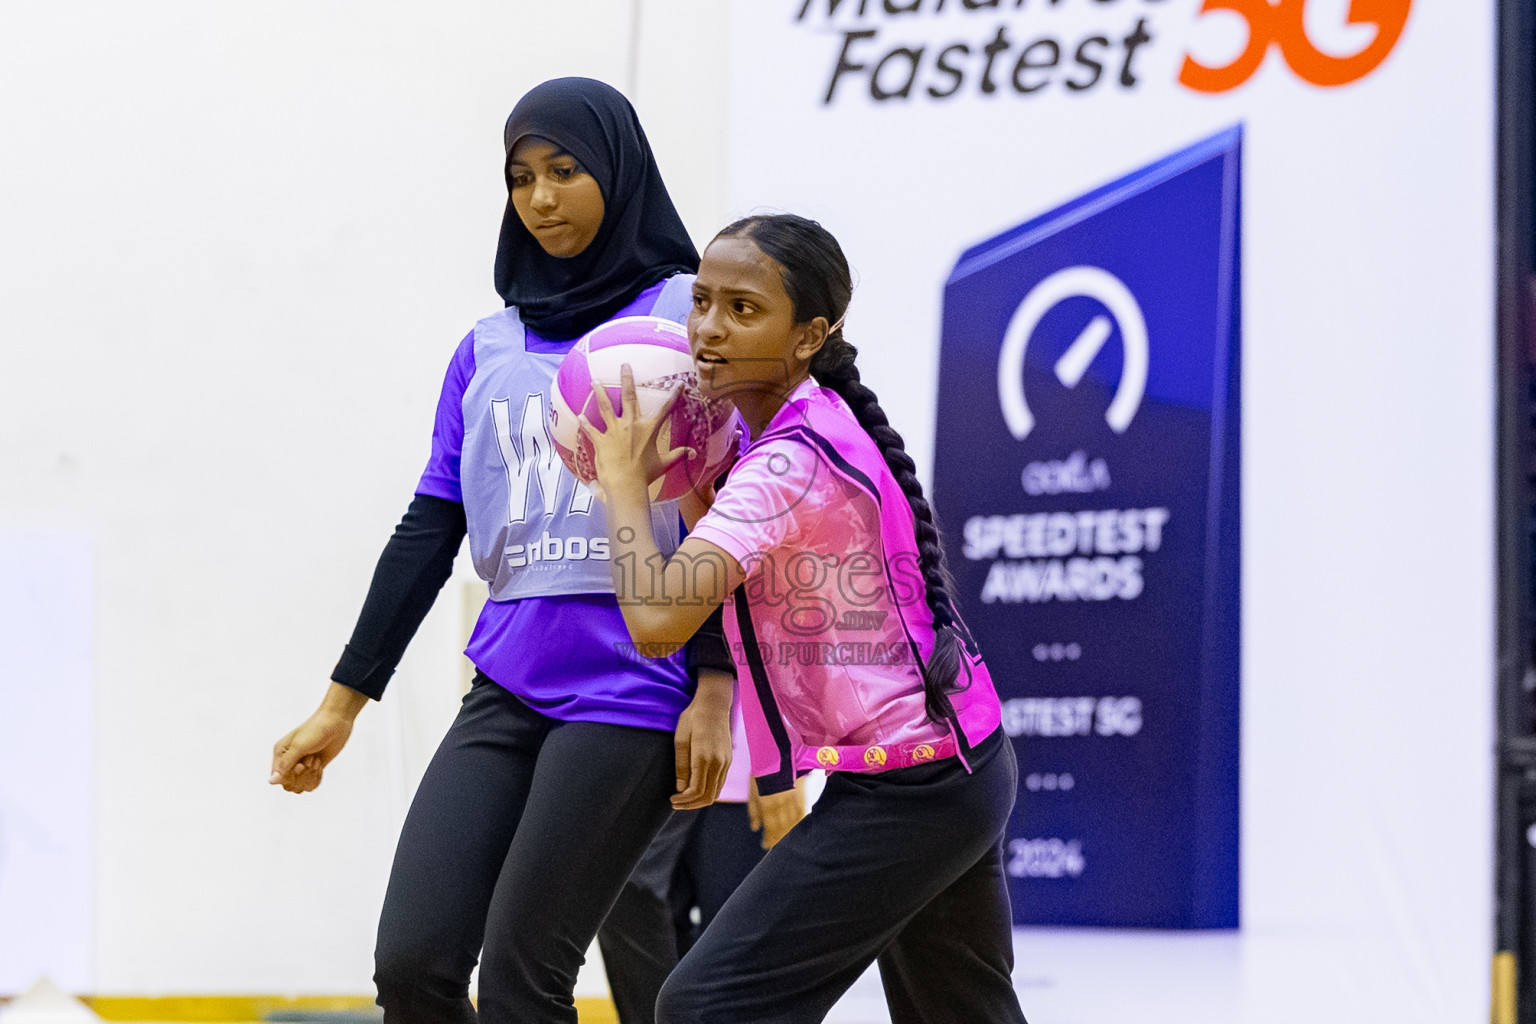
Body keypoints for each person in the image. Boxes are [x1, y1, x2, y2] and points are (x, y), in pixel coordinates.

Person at [266, 77, 735, 1024]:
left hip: (635, 686)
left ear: (620, 170)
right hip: (510, 682)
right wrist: (339, 705)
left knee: (525, 984)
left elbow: (741, 509)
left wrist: (718, 685)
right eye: (521, 177)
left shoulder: (689, 317)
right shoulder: (484, 348)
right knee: (413, 966)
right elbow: (428, 528)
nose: (542, 197)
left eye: (565, 170)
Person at [584, 213, 1030, 1023]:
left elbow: (656, 622)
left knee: (702, 1006)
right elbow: (727, 560)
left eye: (743, 310)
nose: (709, 331)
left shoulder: (786, 461)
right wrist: (683, 468)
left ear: (808, 334)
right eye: (702, 304)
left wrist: (620, 477)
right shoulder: (805, 421)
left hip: (915, 788)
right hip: (957, 763)